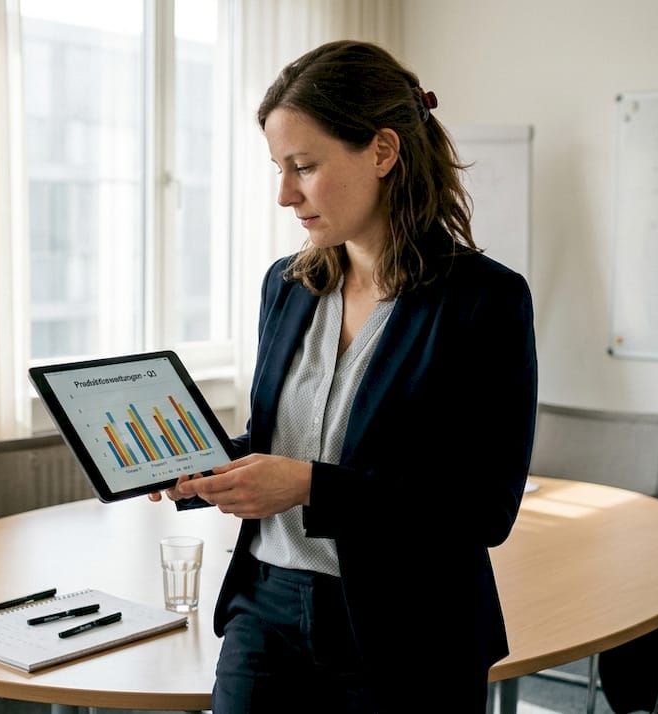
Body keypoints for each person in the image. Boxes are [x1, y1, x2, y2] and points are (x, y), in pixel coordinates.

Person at [149, 39, 538, 712]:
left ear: (383, 152)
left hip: (410, 633)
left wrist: (307, 486)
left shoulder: (484, 301)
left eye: (303, 165)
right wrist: (197, 466)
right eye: (278, 168)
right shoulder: (288, 285)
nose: (283, 194)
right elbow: (286, 444)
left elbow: (483, 508)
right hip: (264, 608)